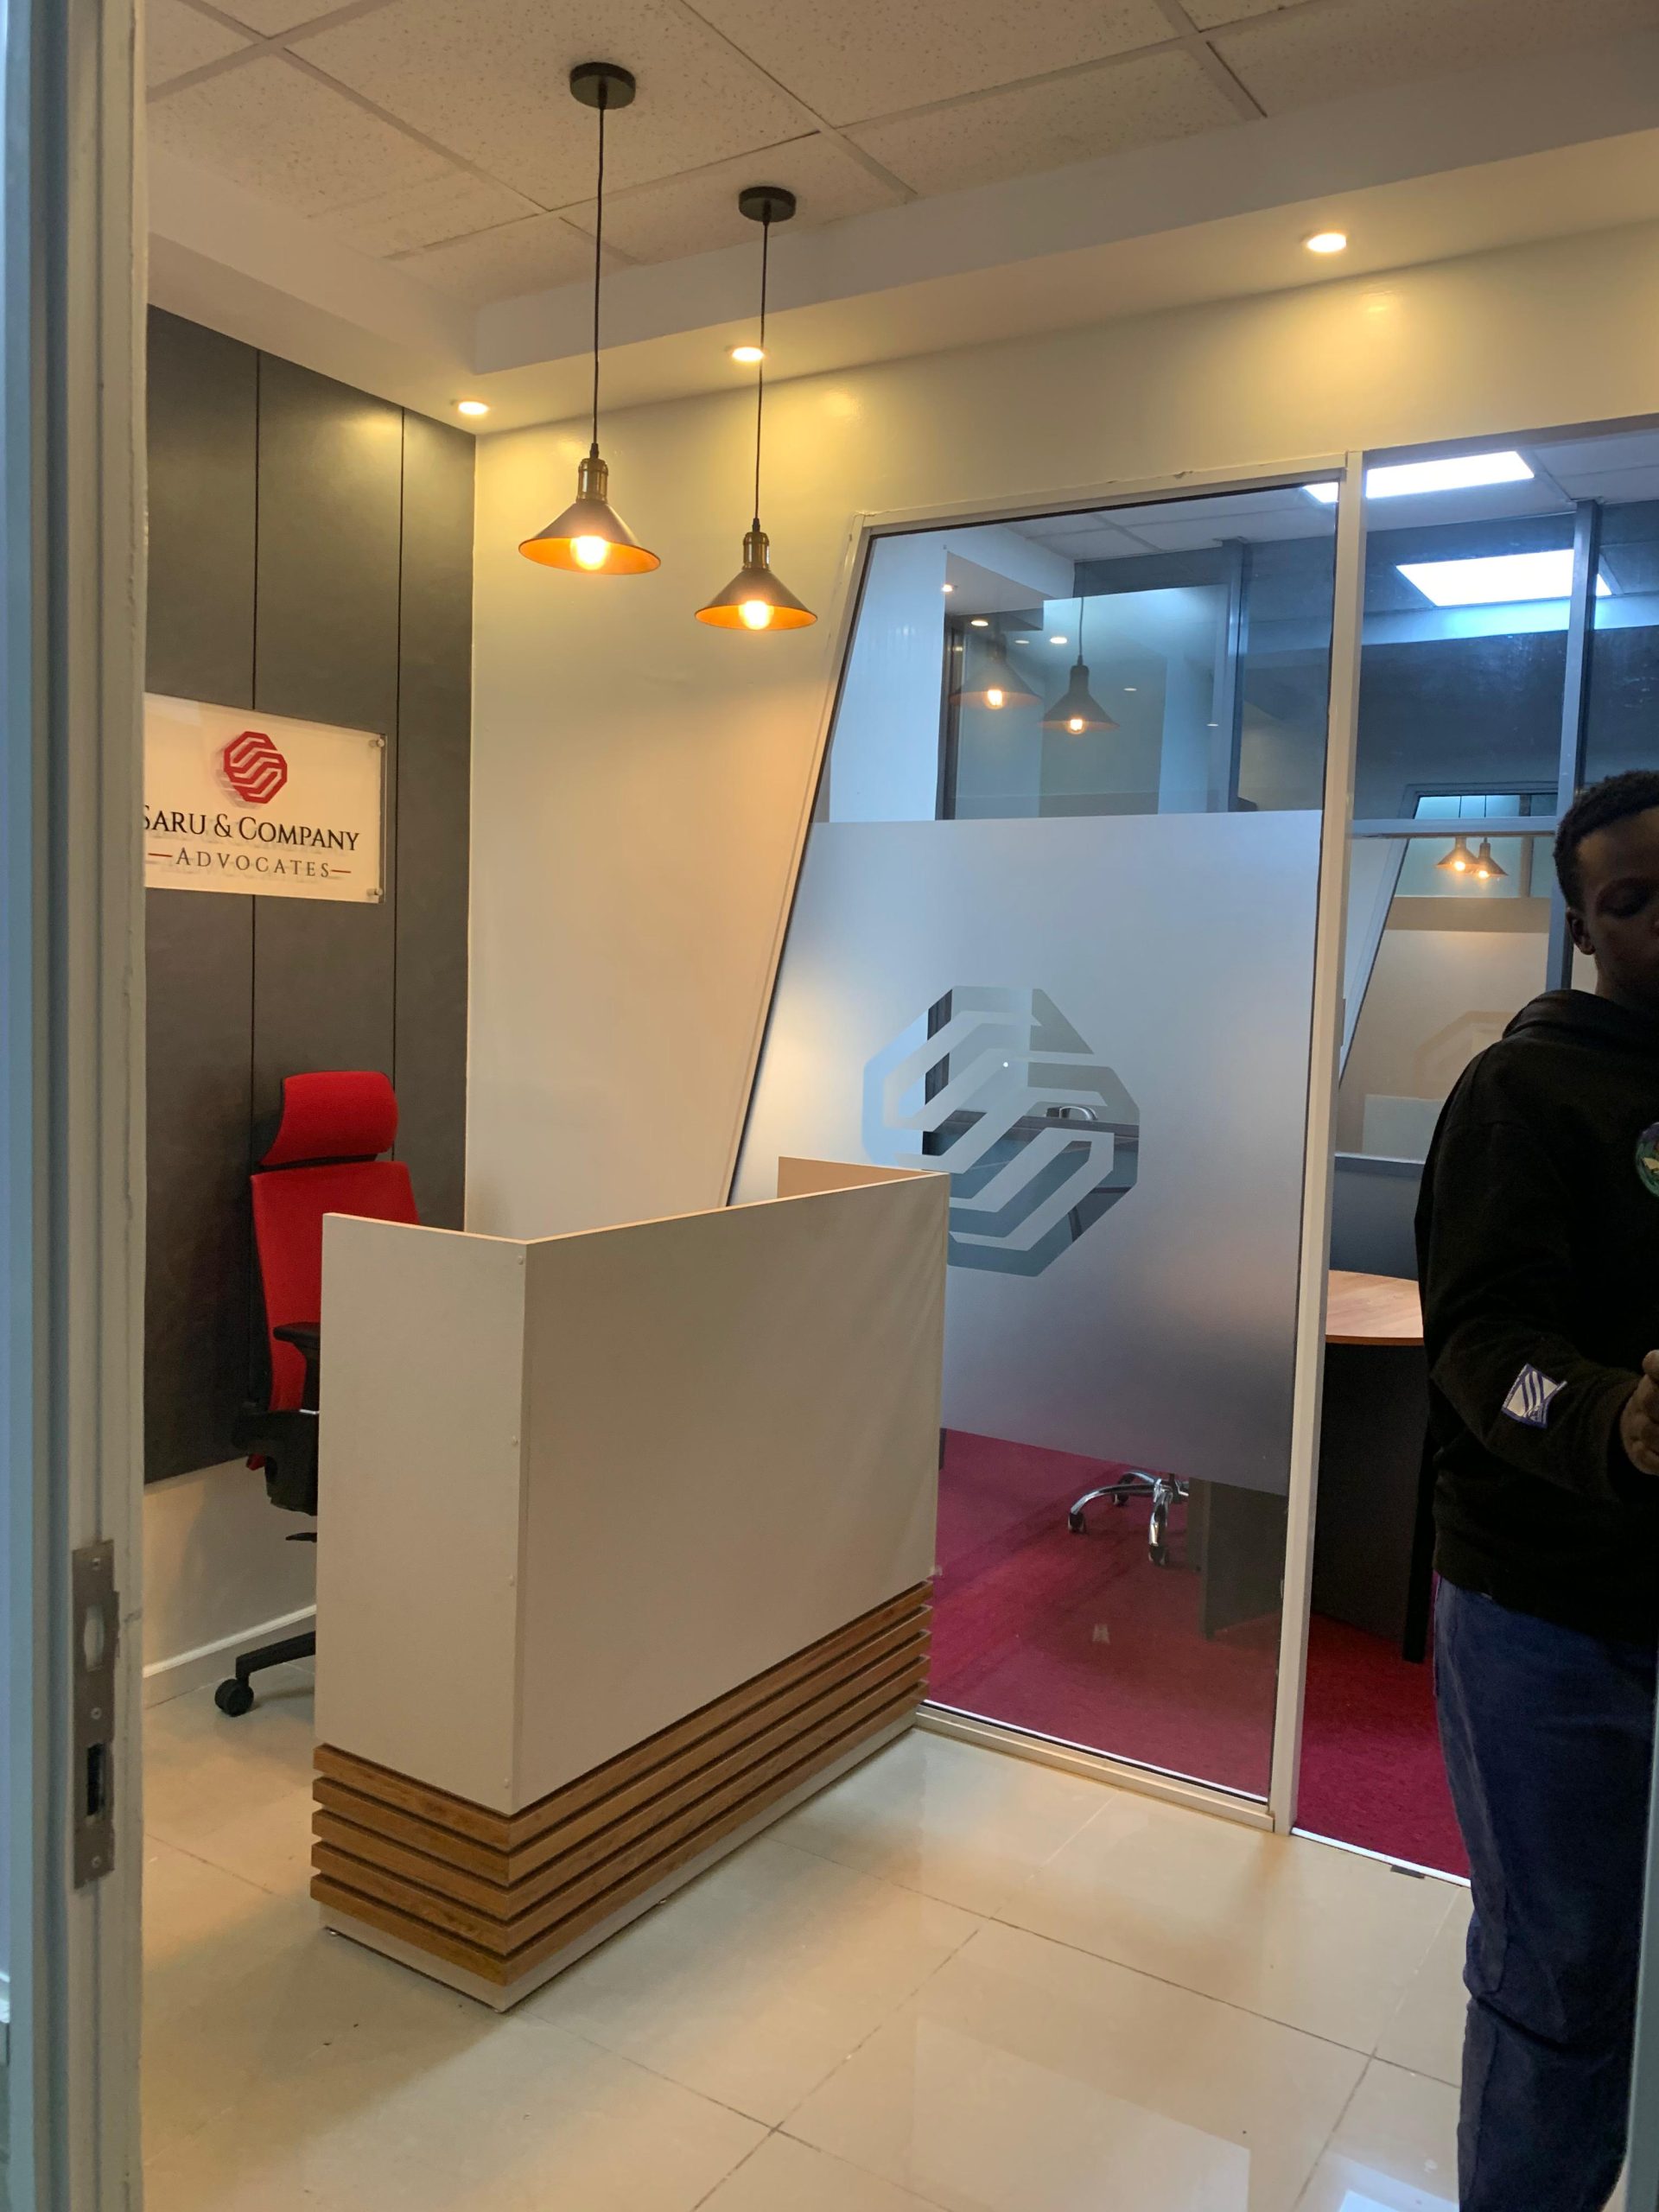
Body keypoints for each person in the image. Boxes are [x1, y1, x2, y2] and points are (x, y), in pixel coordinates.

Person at [1417, 767, 1659, 2212]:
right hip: (1547, 1616)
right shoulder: (1521, 1090)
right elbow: (1480, 1355)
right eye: (1631, 901)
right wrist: (1611, 1418)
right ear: (1583, 931)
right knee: (1559, 1977)